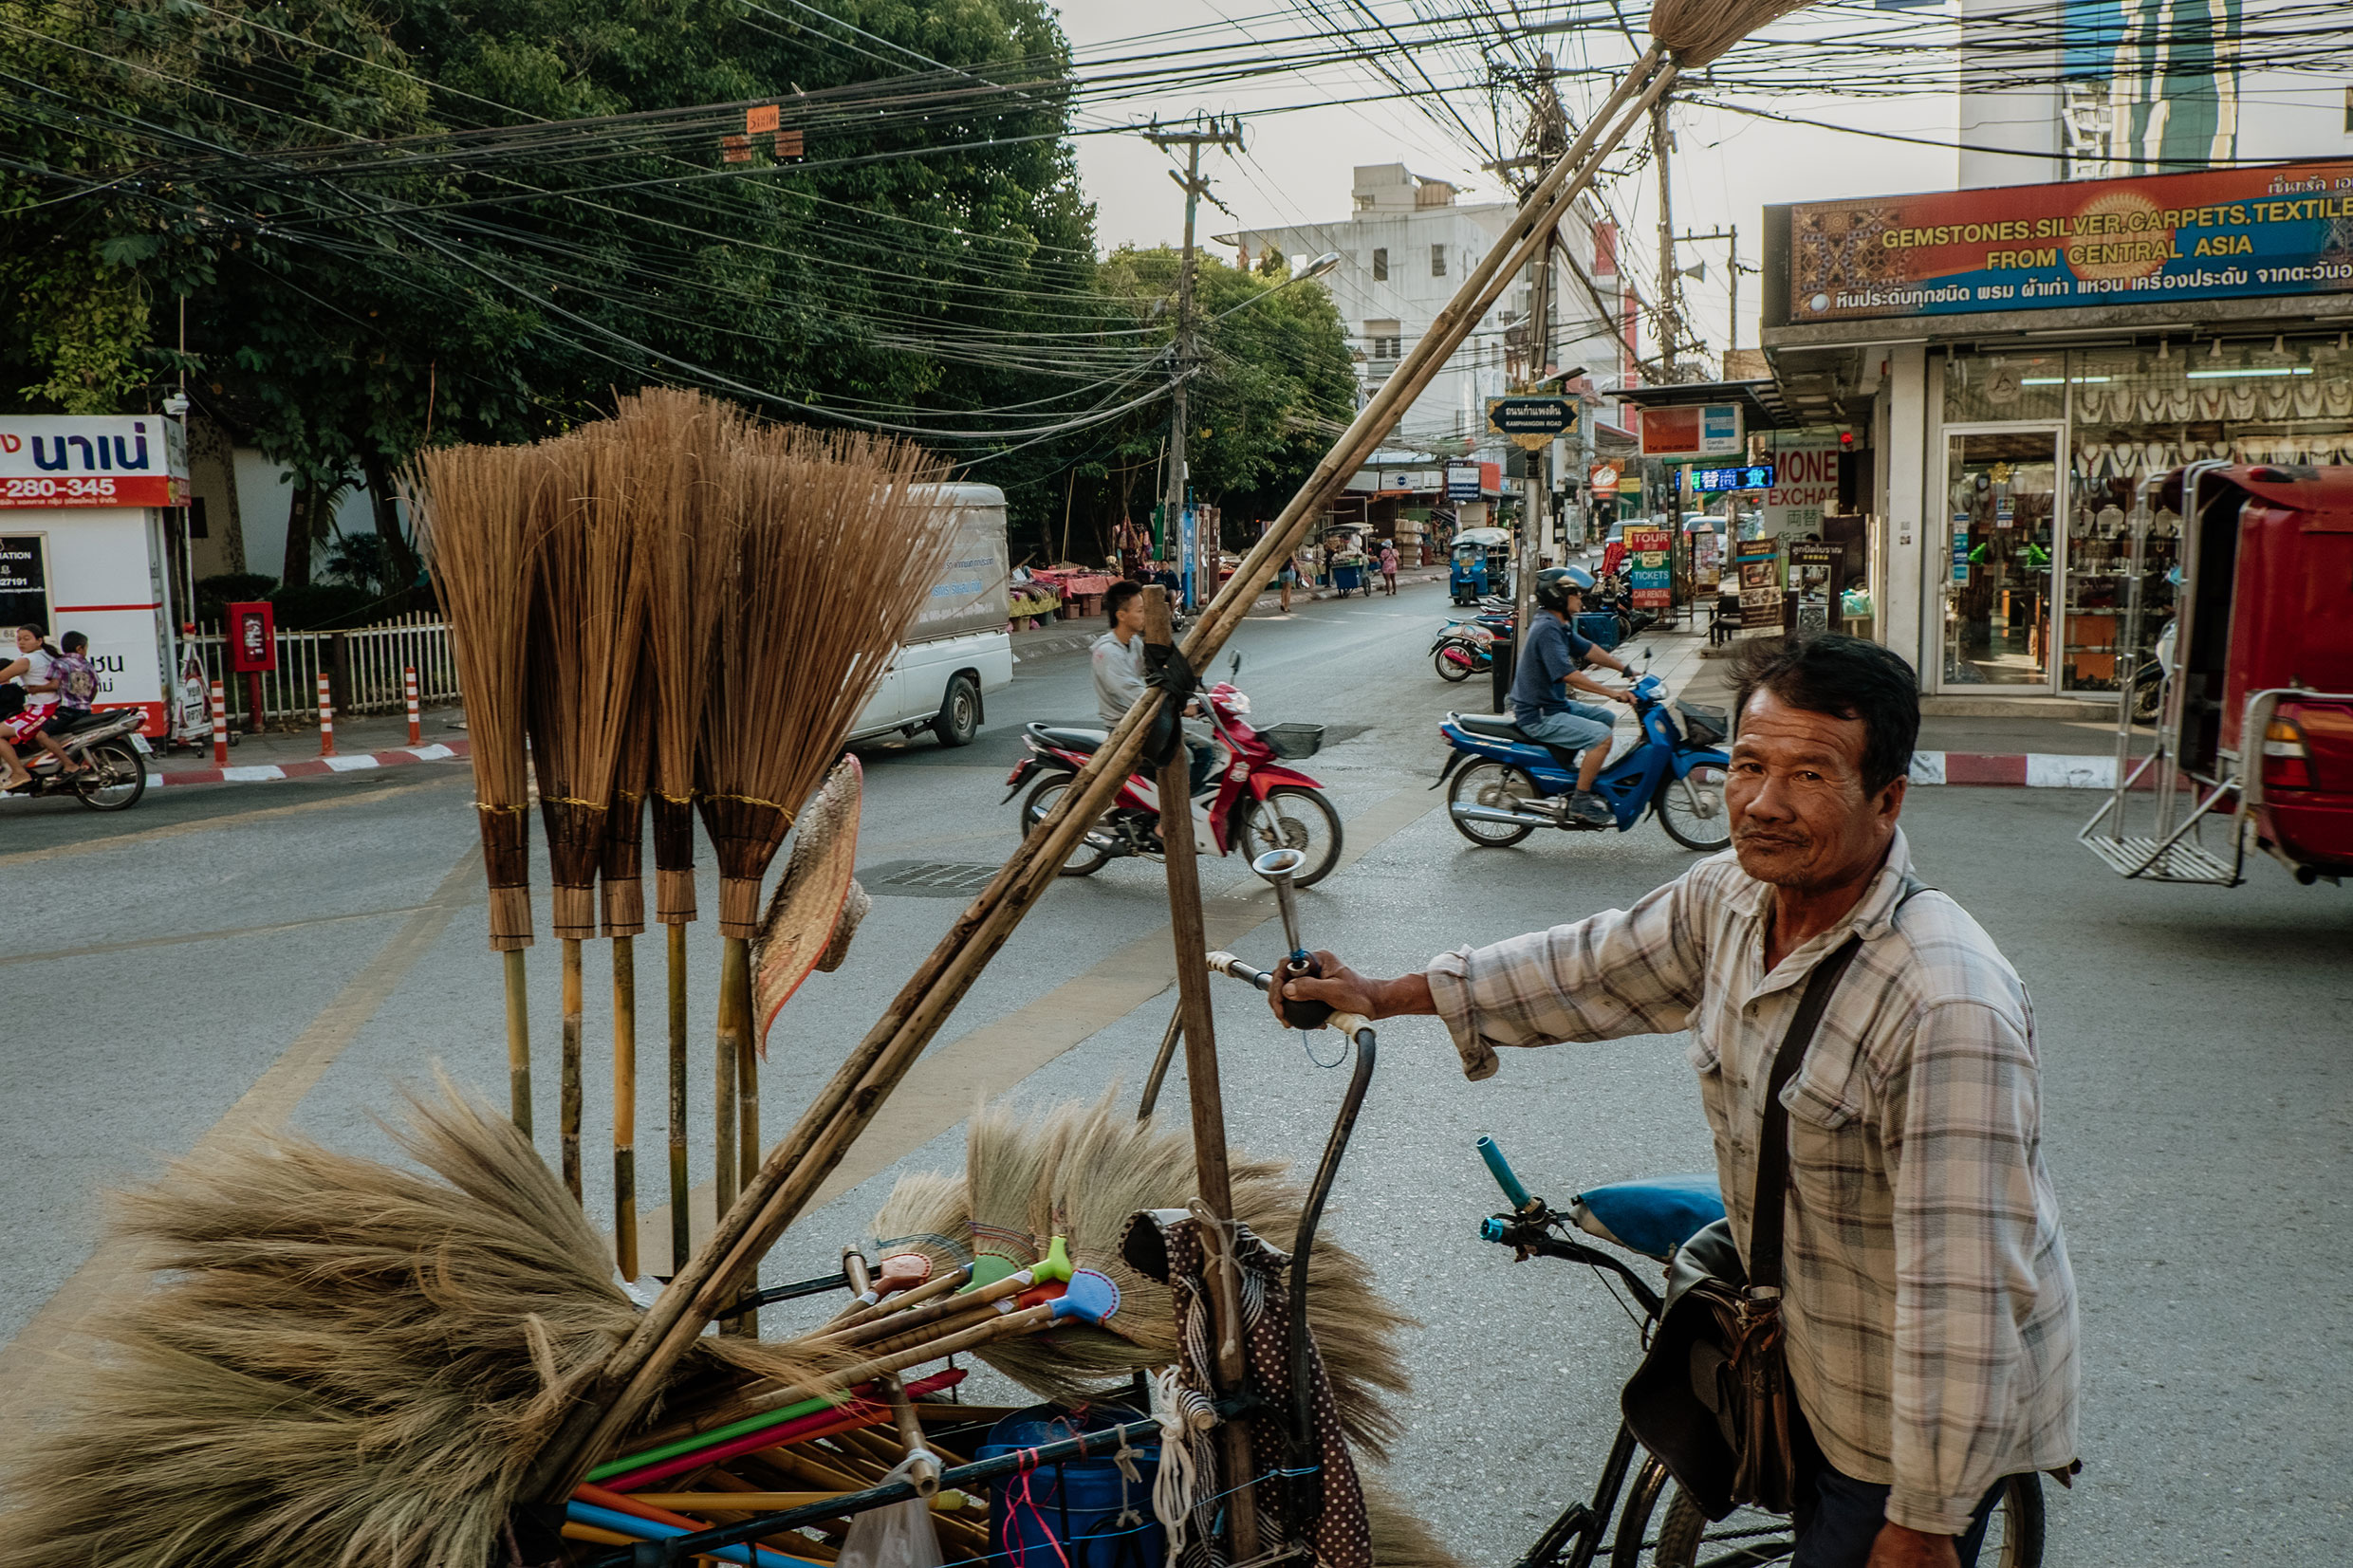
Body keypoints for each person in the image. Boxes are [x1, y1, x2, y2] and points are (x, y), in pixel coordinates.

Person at [1276, 634, 2079, 1568]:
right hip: (1803, 1355)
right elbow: (1587, 966)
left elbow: (1967, 1292)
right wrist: (1382, 993)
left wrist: (1926, 1520)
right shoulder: (1733, 899)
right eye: (1748, 765)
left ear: (1886, 799)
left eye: (1809, 775)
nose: (1763, 802)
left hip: (1900, 1426)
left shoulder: (1944, 1004)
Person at [1510, 566, 1639, 825]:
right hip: (1539, 714)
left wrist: (1624, 668)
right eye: (1575, 593)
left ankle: (1576, 775)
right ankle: (1580, 800)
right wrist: (1612, 693)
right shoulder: (1547, 629)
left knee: (1605, 719)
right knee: (1601, 738)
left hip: (1553, 706)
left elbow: (1588, 649)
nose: (1581, 598)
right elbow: (1568, 675)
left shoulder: (1559, 623)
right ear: (1558, 597)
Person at [1091, 580, 1215, 798]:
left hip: (1146, 721)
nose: (1145, 616)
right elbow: (1134, 693)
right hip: (1125, 728)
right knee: (1182, 758)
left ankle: (1187, 804)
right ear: (1121, 615)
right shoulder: (1108, 652)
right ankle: (1167, 814)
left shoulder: (1135, 643)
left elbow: (1154, 674)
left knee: (1206, 750)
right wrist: (1179, 707)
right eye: (1140, 611)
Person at [0, 623, 64, 788]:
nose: (21, 642)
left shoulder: (28, 660)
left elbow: (2, 676)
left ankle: (19, 772)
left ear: (39, 641)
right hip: (49, 706)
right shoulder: (47, 656)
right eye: (19, 639)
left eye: (26, 639)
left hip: (42, 709)